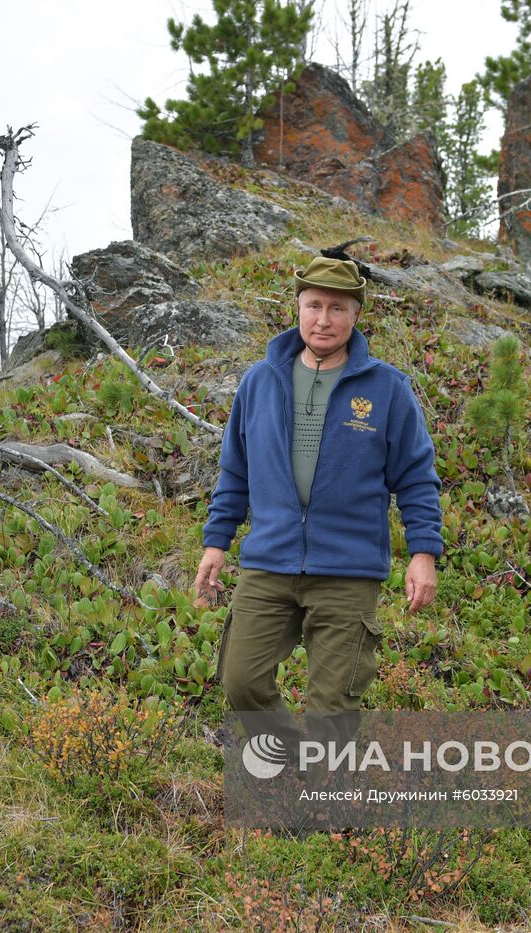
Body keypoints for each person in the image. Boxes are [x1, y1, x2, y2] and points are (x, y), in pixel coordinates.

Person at [194, 255, 444, 752]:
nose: (323, 319)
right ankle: (290, 760)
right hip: (270, 562)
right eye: (313, 305)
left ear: (356, 315)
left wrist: (423, 553)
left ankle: (327, 805)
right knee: (240, 680)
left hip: (348, 570)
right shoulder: (259, 382)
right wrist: (216, 542)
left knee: (333, 706)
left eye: (336, 307)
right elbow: (235, 471)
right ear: (297, 308)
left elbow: (416, 478)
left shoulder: (387, 388)